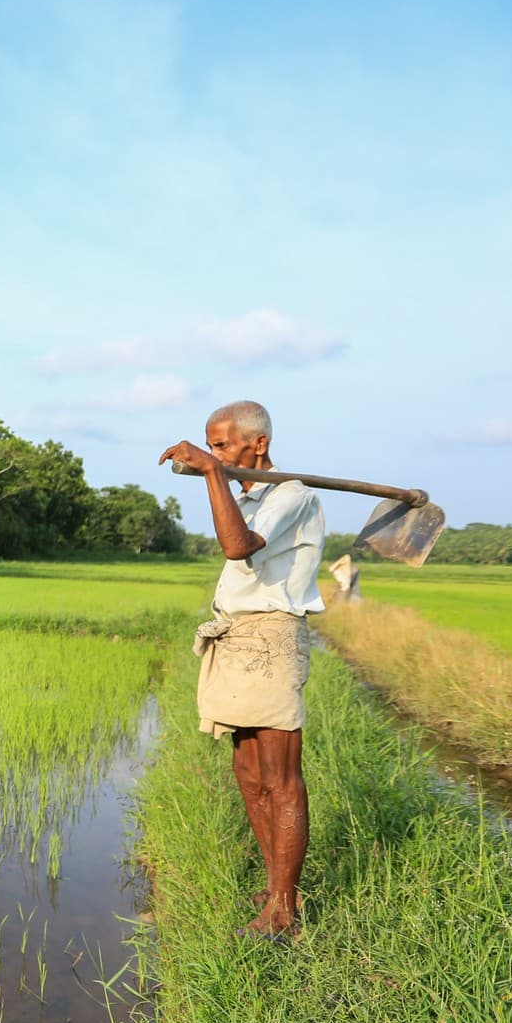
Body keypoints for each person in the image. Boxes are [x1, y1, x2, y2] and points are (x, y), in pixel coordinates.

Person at [159, 401, 324, 938]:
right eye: (211, 445)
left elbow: (237, 547)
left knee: (280, 778)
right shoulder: (248, 497)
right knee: (250, 775)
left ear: (258, 444)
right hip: (235, 637)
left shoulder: (292, 495)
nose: (215, 453)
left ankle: (284, 912)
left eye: (223, 444)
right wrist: (220, 475)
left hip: (271, 640)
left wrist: (211, 472)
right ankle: (277, 887)